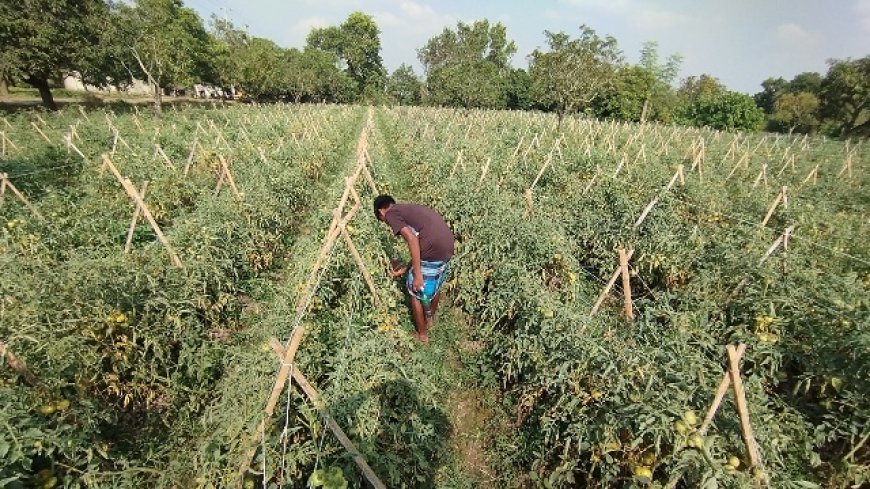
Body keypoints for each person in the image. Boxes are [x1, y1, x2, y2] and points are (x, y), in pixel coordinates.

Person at [374, 195, 454, 343]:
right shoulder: (407, 209)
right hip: (447, 246)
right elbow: (421, 240)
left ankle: (422, 335)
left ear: (381, 212)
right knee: (435, 286)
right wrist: (407, 267)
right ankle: (430, 321)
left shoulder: (391, 214)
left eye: (383, 222)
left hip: (432, 250)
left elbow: (412, 239)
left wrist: (417, 274)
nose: (387, 224)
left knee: (416, 291)